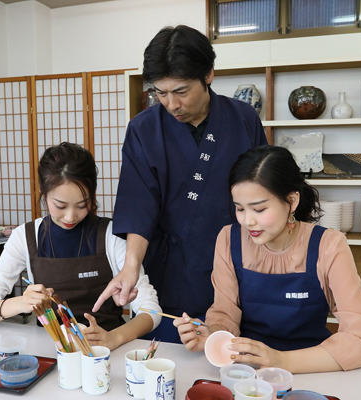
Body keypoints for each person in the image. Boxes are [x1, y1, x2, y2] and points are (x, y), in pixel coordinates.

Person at [93, 25, 267, 343]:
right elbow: (138, 204)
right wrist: (130, 266)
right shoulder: (143, 129)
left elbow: (263, 196)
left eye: (181, 91)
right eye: (160, 92)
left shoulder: (243, 119)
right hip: (170, 272)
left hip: (236, 269)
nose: (171, 104)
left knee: (233, 364)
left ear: (209, 75)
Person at [174, 145, 361, 373]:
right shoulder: (228, 238)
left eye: (259, 209)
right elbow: (225, 313)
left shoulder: (328, 245)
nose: (248, 222)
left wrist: (280, 361)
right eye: (240, 209)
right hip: (245, 369)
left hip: (311, 367)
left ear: (292, 201)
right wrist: (212, 333)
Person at [0, 142, 161, 351]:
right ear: (43, 194)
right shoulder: (25, 237)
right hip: (50, 351)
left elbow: (150, 310)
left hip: (105, 352)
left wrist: (114, 338)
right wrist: (22, 303)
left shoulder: (111, 235)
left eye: (82, 205)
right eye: (60, 206)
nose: (71, 217)